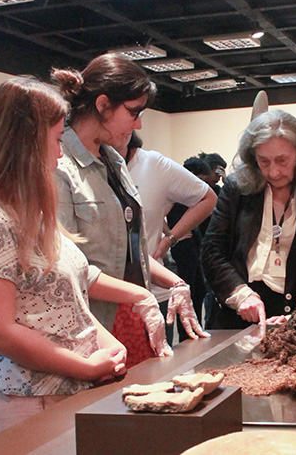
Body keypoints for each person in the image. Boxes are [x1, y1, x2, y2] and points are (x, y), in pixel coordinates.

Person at [0, 77, 171, 440]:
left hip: (62, 395)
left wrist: (105, 346)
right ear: (24, 145)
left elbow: (71, 298)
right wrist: (85, 365)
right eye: (54, 140)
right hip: (25, 401)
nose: (61, 152)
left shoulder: (32, 216)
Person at [52, 53, 208, 366]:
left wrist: (175, 283)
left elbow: (131, 254)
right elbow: (66, 269)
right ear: (102, 105)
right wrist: (138, 295)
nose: (138, 124)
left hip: (134, 315)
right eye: (133, 112)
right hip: (92, 327)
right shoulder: (59, 167)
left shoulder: (115, 161)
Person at [202, 109, 296, 331]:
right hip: (236, 317)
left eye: (282, 160)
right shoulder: (236, 191)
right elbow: (212, 251)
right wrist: (241, 295)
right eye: (264, 161)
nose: (274, 172)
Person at [115, 132, 216, 344]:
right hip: (105, 297)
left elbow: (207, 198)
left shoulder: (153, 164)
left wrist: (169, 237)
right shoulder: (94, 166)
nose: (138, 122)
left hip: (153, 291)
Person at [167, 157, 215, 337]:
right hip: (183, 245)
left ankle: (195, 328)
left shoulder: (191, 194)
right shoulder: (176, 191)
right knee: (187, 290)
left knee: (199, 289)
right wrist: (171, 234)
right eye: (200, 179)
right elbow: (161, 214)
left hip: (194, 242)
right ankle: (187, 333)